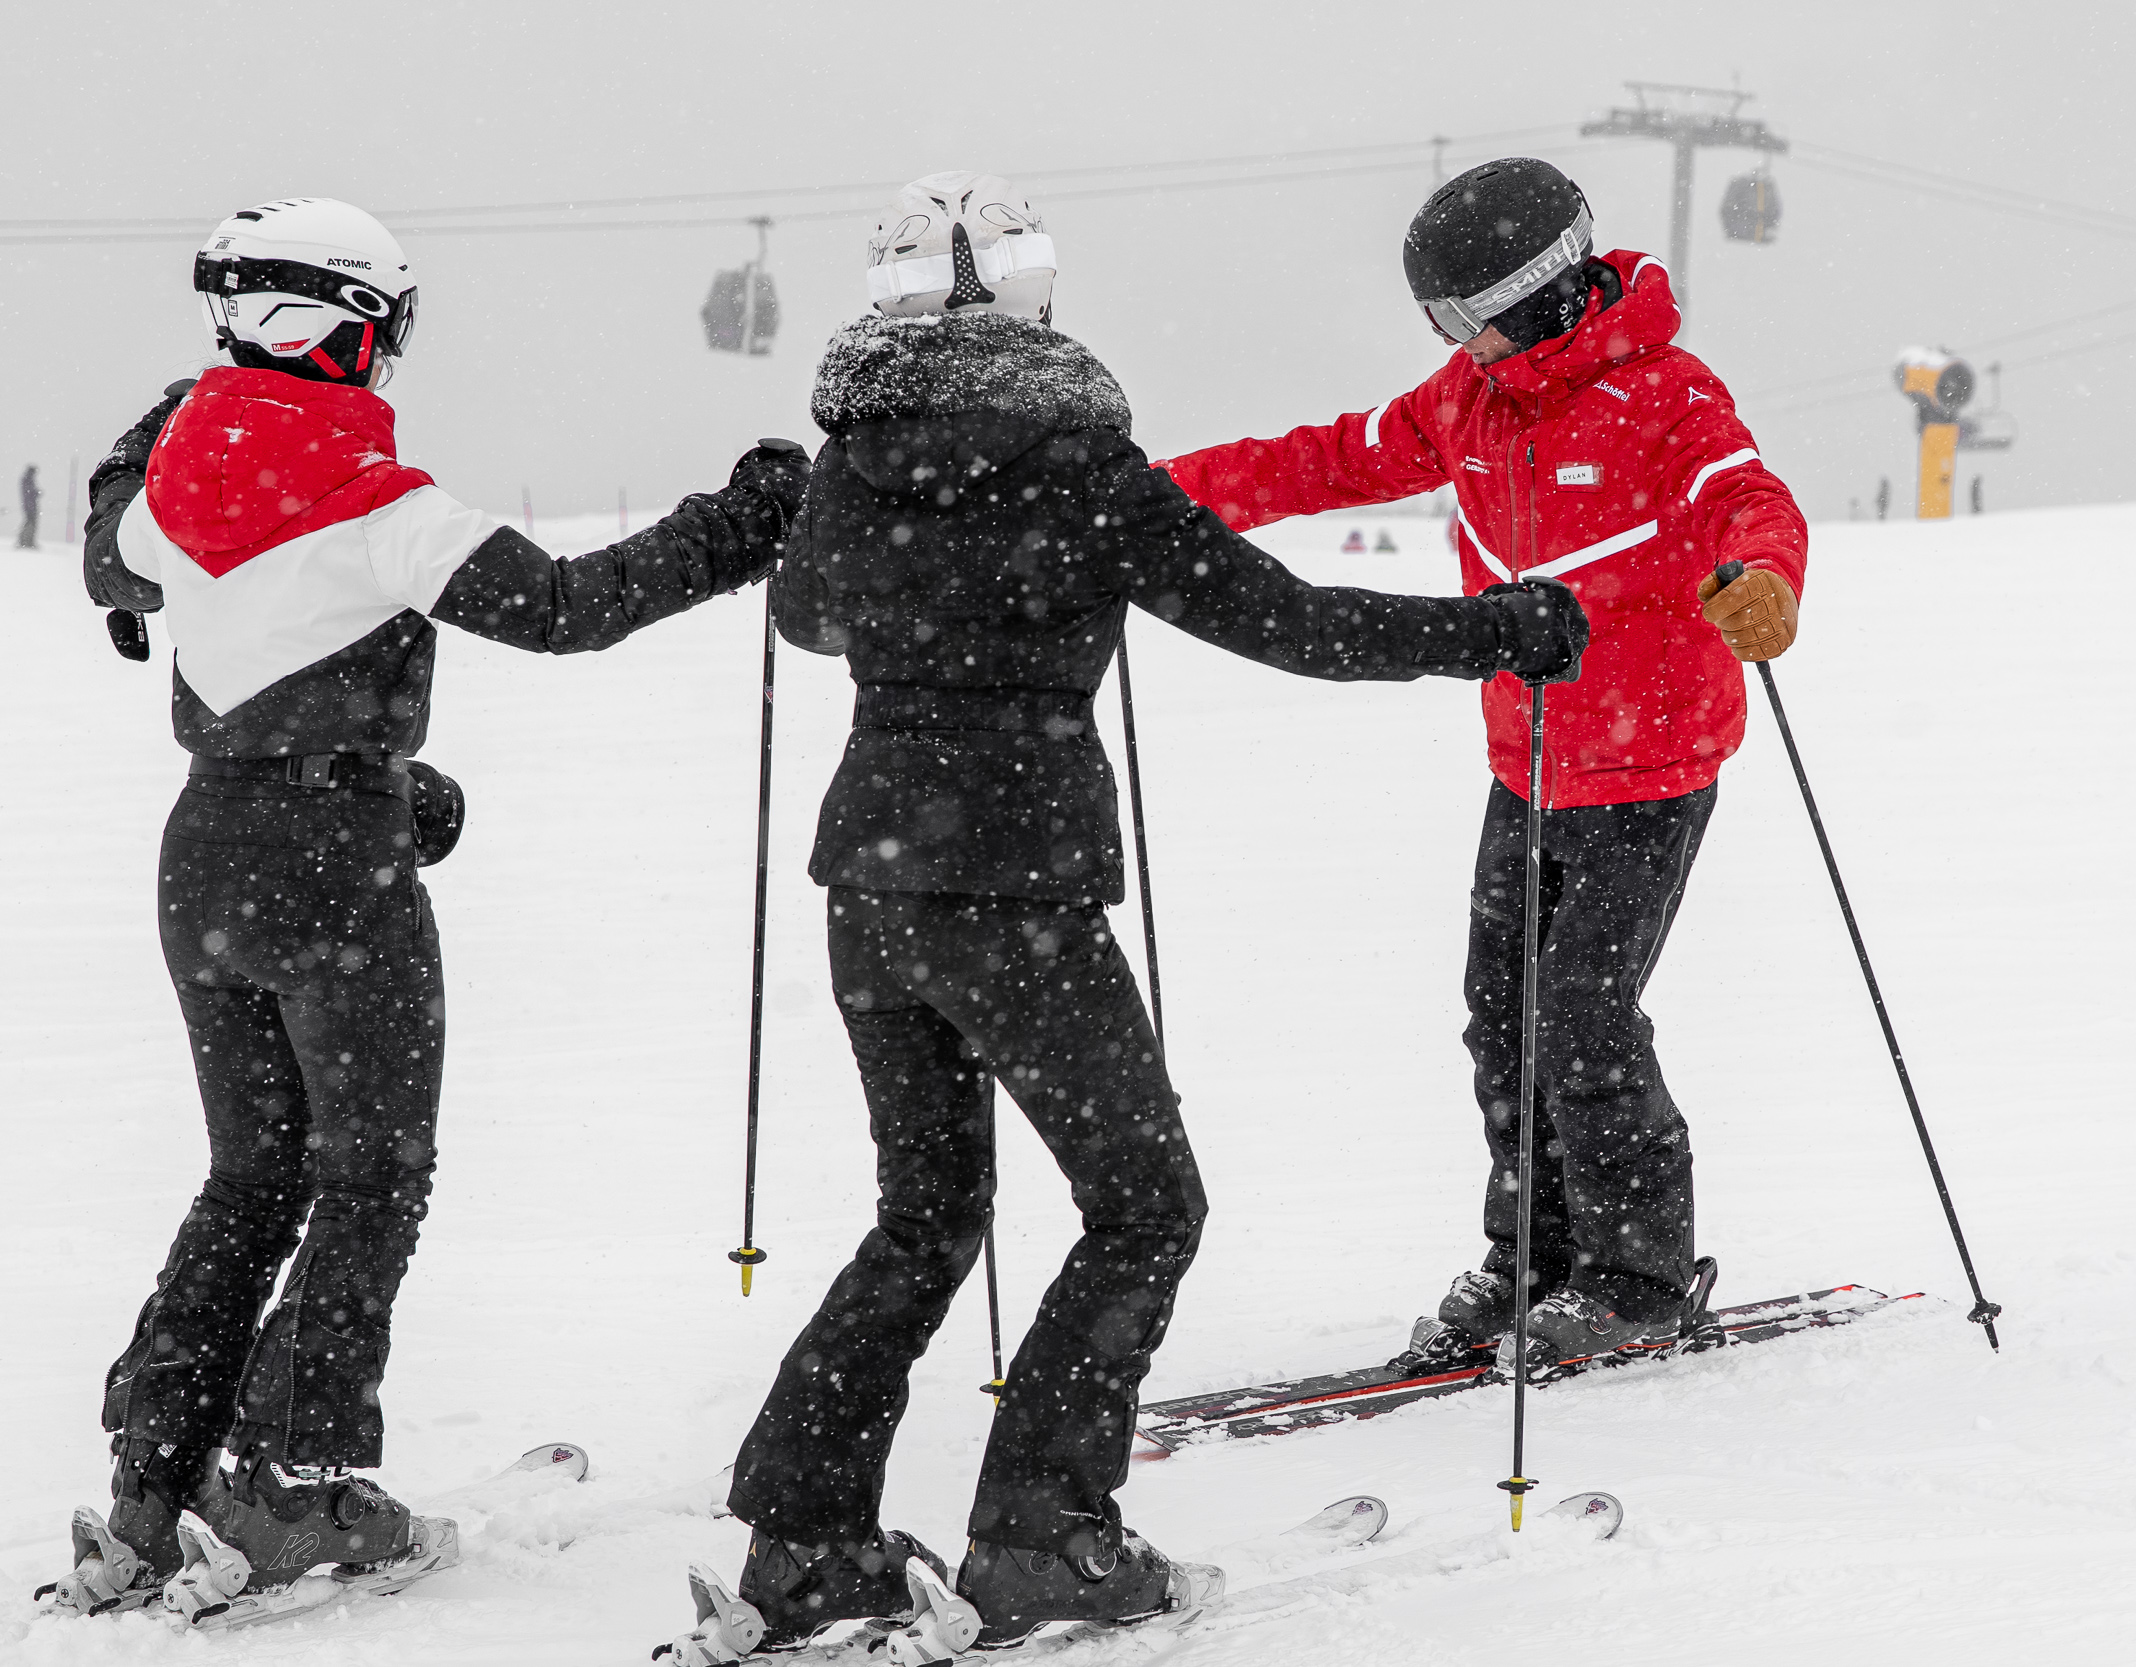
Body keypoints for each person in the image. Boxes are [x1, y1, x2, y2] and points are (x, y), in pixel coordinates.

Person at [658, 170, 1586, 1667]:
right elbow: (1298, 623)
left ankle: (803, 1542)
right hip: (1015, 891)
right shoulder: (1086, 466)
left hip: (875, 890)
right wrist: (1500, 629)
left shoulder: (853, 465)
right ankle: (1041, 1537)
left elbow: (809, 616)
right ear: (1034, 297)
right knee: (1147, 1202)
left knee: (925, 1211)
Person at [42, 196, 805, 1621]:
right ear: (347, 328)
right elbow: (575, 603)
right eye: (389, 332)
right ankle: (285, 1481)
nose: (393, 363)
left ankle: (156, 1486)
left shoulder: (168, 494)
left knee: (250, 1177)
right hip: (333, 872)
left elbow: (115, 553)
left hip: (205, 854)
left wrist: (388, 774)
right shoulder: (381, 504)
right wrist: (744, 520)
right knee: (372, 1173)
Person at [1156, 158, 1809, 1378]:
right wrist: (1141, 501)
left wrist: (1763, 578)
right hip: (1529, 759)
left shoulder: (1666, 396)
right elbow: (1322, 460)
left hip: (1651, 766)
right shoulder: (1468, 402)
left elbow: (1747, 498)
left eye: (1468, 316)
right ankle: (1534, 1257)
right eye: (1439, 325)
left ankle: (1638, 1275)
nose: (1457, 344)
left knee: (1583, 1014)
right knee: (1500, 1014)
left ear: (1548, 291)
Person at [18, 463, 39, 548]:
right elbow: (29, 493)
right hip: (30, 506)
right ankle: (26, 542)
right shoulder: (28, 479)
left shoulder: (26, 479)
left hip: (28, 505)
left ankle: (25, 541)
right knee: (30, 523)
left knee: (29, 523)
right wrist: (36, 493)